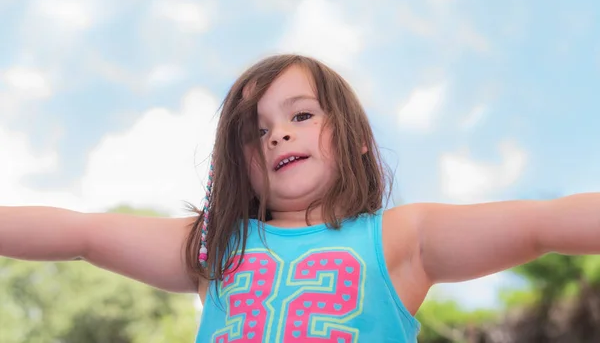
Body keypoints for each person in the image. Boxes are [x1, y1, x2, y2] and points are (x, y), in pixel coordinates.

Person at [1, 54, 599, 343]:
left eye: (302, 115)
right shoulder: (214, 247)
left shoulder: (398, 238)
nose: (277, 134)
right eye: (256, 131)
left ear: (359, 140)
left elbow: (544, 224)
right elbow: (78, 235)